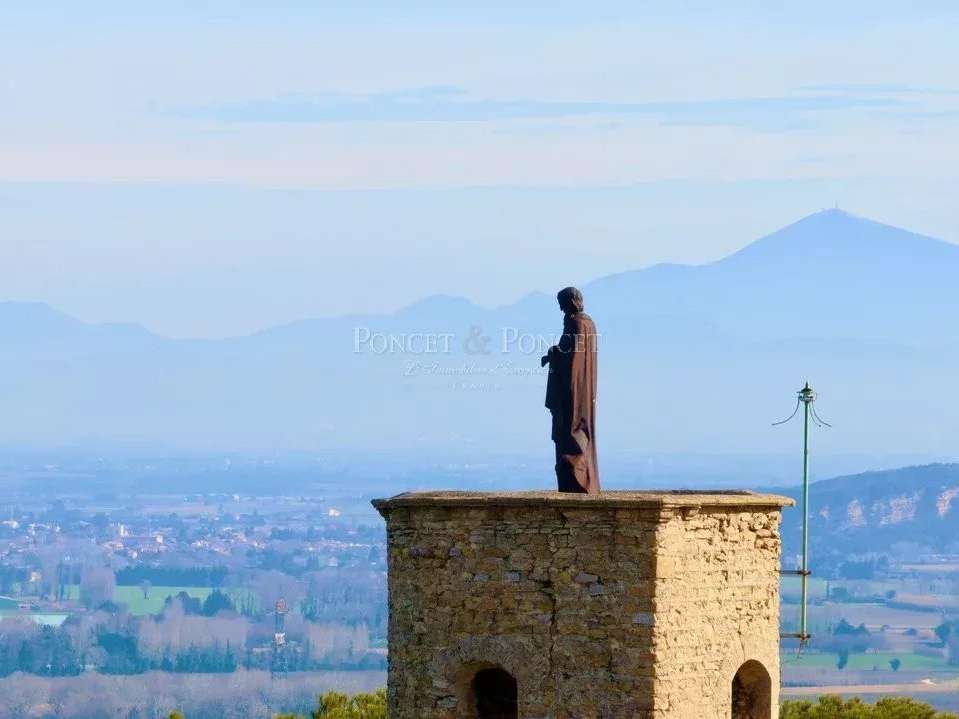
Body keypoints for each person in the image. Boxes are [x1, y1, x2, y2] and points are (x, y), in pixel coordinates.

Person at [542, 286, 600, 493]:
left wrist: (553, 354)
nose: (561, 309)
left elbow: (570, 358)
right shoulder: (588, 323)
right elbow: (574, 354)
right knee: (579, 432)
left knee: (569, 431)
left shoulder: (575, 323)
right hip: (583, 389)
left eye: (562, 304)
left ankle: (575, 479)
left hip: (572, 391)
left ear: (571, 302)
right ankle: (585, 479)